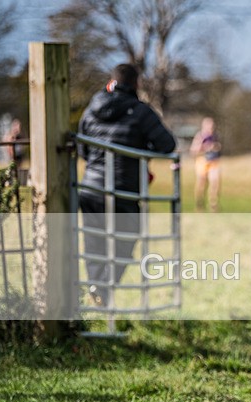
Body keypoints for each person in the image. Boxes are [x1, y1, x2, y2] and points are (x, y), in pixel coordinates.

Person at [78, 64, 177, 306]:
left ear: (111, 82)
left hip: (91, 189)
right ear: (136, 84)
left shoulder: (91, 110)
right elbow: (167, 145)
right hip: (123, 190)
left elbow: (82, 150)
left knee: (94, 244)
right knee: (124, 244)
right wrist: (141, 150)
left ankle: (96, 288)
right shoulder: (141, 111)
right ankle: (103, 291)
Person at [190, 117, 222, 212]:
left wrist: (216, 147)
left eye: (212, 126)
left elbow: (218, 148)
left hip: (213, 162)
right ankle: (199, 204)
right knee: (201, 184)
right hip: (202, 161)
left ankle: (213, 205)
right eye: (209, 126)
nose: (210, 128)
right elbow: (193, 151)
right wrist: (205, 147)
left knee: (215, 183)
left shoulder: (215, 136)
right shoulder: (200, 136)